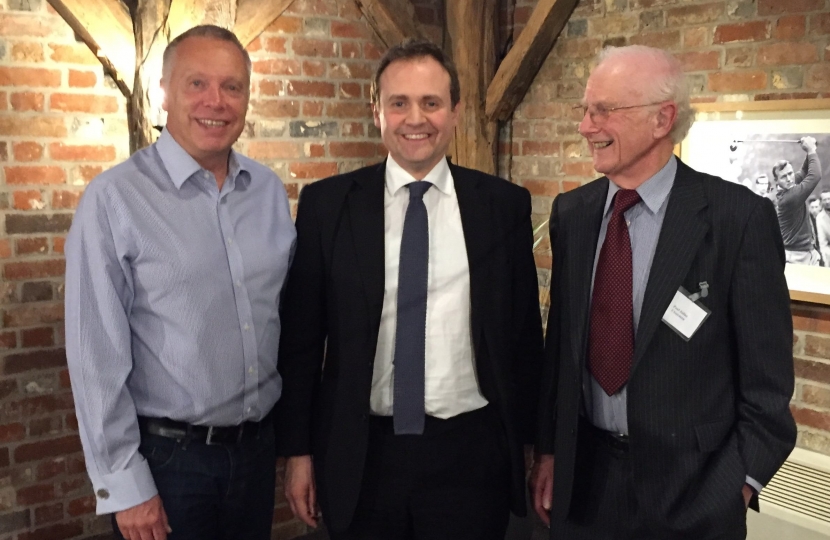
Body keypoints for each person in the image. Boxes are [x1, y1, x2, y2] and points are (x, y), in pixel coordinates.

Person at [275, 39, 544, 540]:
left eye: (432, 103)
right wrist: (298, 452)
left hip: (471, 456)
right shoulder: (328, 206)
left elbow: (525, 336)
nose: (415, 118)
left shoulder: (501, 207)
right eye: (399, 102)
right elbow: (301, 343)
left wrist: (537, 447)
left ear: (456, 112)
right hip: (363, 454)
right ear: (377, 111)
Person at [532, 45, 796, 540]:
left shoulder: (735, 219)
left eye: (604, 110)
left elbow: (768, 388)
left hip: (692, 497)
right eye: (585, 110)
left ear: (662, 119)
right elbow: (560, 353)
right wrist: (549, 451)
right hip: (583, 489)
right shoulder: (573, 213)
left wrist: (732, 490)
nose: (586, 127)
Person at [65, 25, 296, 540]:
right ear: (163, 92)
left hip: (256, 451)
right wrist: (128, 486)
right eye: (197, 84)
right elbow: (94, 355)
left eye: (232, 86)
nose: (216, 101)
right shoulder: (114, 200)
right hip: (169, 462)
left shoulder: (267, 192)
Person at [771, 137, 822, 265]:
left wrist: (810, 150)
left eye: (790, 173)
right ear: (776, 181)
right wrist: (811, 150)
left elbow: (805, 171)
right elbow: (815, 176)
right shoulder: (787, 198)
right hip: (795, 257)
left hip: (807, 253)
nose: (789, 179)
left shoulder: (791, 184)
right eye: (783, 177)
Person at [817, 190, 830, 266]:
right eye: (825, 199)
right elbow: (822, 242)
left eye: (829, 198)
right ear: (821, 202)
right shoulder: (820, 218)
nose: (827, 202)